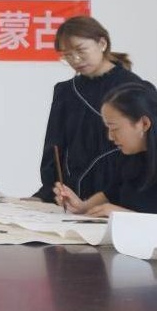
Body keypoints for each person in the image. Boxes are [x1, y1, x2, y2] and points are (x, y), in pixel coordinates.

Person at [30, 16, 143, 203]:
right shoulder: (65, 91)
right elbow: (54, 149)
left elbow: (147, 149)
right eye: (67, 55)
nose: (75, 60)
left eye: (81, 51)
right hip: (73, 197)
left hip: (120, 195)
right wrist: (48, 193)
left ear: (102, 43)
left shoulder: (134, 87)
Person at [55, 82, 157, 216]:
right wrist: (82, 206)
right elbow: (111, 192)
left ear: (144, 123)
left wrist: (124, 215)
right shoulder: (129, 156)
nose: (110, 136)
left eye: (114, 128)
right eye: (108, 128)